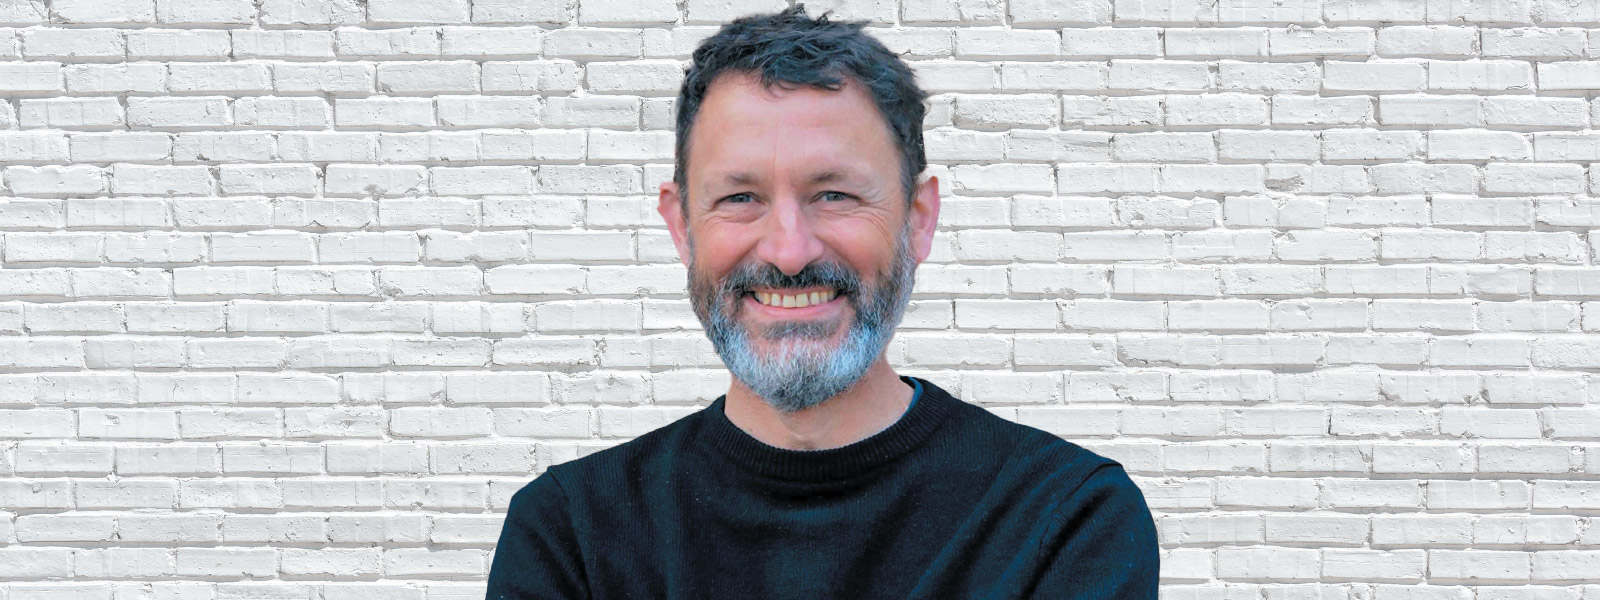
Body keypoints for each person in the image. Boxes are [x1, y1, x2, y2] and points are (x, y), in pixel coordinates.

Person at [486, 6, 1159, 598]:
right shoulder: (569, 532)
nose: (788, 252)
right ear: (682, 225)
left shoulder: (1065, 519)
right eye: (740, 197)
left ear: (919, 219)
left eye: (834, 194)